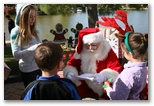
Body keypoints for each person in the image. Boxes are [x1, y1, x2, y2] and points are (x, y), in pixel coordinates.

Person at [63, 28, 123, 99]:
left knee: (107, 90)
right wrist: (70, 73)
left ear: (99, 43)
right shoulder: (82, 50)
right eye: (87, 45)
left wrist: (103, 76)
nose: (90, 48)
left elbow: (116, 69)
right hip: (84, 84)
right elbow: (71, 64)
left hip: (104, 84)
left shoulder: (107, 50)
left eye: (94, 45)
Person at [103, 32, 148, 100]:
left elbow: (117, 98)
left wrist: (107, 88)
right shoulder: (143, 68)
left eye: (123, 52)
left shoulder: (128, 74)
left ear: (130, 54)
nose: (123, 54)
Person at [10, 4, 42, 88]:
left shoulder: (36, 30)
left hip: (40, 67)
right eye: (30, 16)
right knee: (31, 96)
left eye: (34, 16)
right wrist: (34, 48)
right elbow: (16, 55)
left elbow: (39, 46)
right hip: (28, 70)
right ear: (23, 17)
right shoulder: (15, 32)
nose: (33, 19)